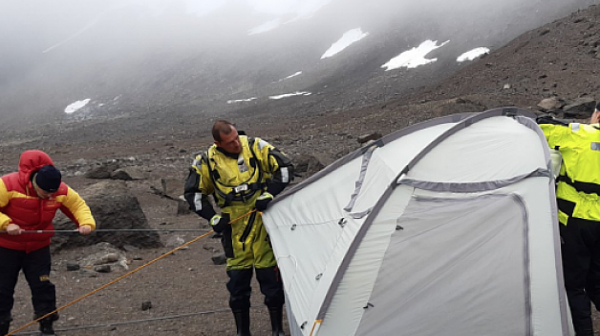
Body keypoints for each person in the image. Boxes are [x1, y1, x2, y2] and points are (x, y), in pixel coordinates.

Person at [184, 120, 293, 336]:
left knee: (271, 282)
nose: (236, 144)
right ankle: (242, 332)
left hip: (263, 223)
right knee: (237, 286)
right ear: (218, 143)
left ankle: (277, 331)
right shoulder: (206, 160)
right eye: (230, 142)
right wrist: (212, 218)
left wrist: (270, 192)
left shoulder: (255, 146)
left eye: (236, 138)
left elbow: (286, 168)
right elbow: (193, 193)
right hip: (233, 231)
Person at [0, 150, 95, 336]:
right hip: (6, 248)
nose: (49, 196)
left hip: (38, 248)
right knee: (2, 290)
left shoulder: (59, 189)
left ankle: (47, 328)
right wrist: (6, 224)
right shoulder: (7, 184)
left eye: (52, 193)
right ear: (35, 183)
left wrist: (86, 223)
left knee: (43, 287)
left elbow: (78, 205)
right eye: (45, 192)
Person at [537, 102, 600, 336]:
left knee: (574, 286)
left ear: (598, 115)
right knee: (597, 281)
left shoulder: (577, 133)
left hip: (575, 222)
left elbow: (540, 128)